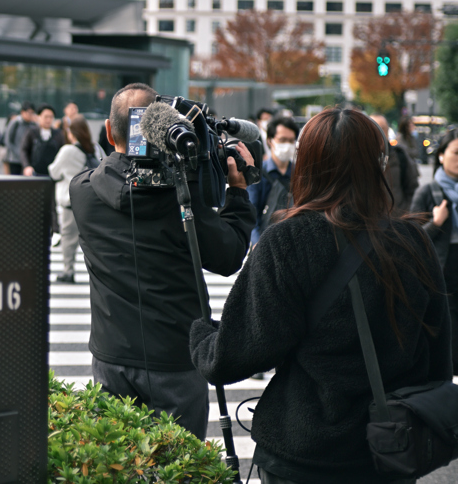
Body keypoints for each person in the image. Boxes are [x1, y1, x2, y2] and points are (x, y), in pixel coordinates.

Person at [189, 108, 450, 484]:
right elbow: (438, 356)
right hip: (389, 447)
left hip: (302, 452)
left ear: (308, 164)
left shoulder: (286, 241)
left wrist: (201, 335)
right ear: (378, 165)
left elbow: (235, 355)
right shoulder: (413, 242)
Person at [69, 83, 254, 440]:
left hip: (111, 356)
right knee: (178, 468)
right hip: (176, 359)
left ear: (109, 132)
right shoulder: (182, 198)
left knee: (119, 467)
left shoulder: (82, 191)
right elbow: (229, 256)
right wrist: (238, 194)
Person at [411, 127, 458, 374]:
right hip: (441, 267)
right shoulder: (428, 192)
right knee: (447, 323)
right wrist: (436, 223)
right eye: (456, 153)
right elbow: (412, 238)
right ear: (441, 155)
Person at [49, 115, 98, 283]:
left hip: (71, 202)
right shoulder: (95, 148)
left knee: (69, 240)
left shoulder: (67, 151)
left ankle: (68, 271)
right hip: (92, 201)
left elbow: (53, 172)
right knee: (92, 241)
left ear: (72, 133)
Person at [248, 115, 300, 246]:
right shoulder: (258, 173)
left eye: (291, 141)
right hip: (265, 242)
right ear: (270, 141)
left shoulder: (299, 173)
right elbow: (252, 214)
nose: (287, 145)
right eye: (282, 140)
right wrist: (257, 245)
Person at [370, 114, 418, 215]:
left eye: (382, 128)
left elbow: (412, 187)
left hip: (397, 220)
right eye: (373, 127)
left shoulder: (400, 155)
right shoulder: (359, 158)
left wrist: (405, 212)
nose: (378, 132)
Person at [20, 104, 64, 177]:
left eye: (51, 117)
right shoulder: (31, 132)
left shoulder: (58, 134)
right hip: (33, 173)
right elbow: (23, 150)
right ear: (39, 117)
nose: (48, 120)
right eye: (46, 117)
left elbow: (62, 152)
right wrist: (26, 166)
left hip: (52, 174)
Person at [4, 102, 37, 175]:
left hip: (27, 160)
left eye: (32, 113)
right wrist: (18, 152)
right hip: (14, 159)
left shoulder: (33, 125)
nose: (31, 115)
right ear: (22, 112)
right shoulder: (15, 122)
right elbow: (8, 140)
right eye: (29, 113)